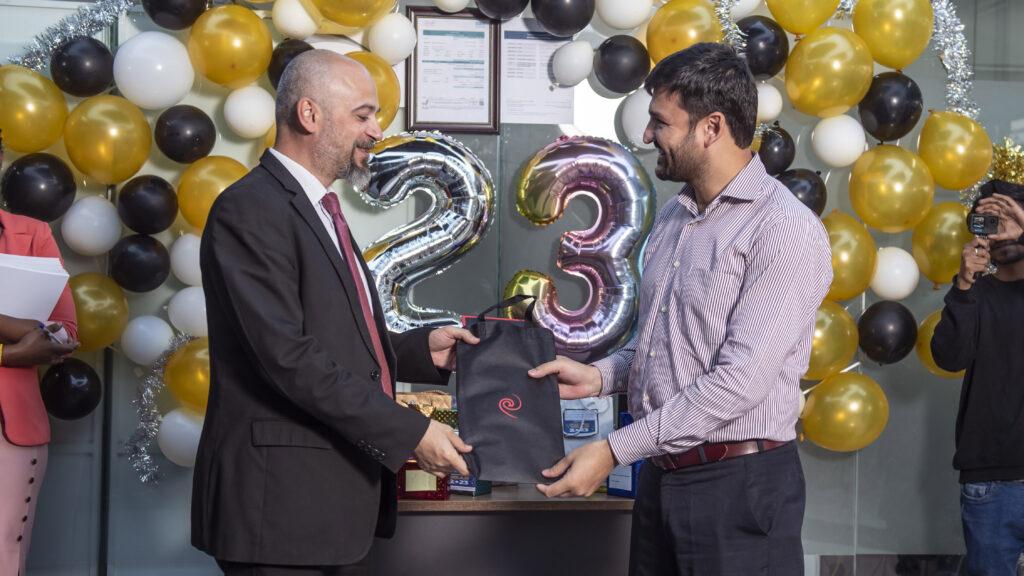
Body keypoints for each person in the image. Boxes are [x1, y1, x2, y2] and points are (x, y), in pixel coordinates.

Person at [529, 43, 832, 574]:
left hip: (740, 490)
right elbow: (665, 344)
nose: (648, 136)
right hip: (661, 478)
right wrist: (599, 376)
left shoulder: (784, 229)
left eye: (660, 122)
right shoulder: (675, 215)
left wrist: (613, 450)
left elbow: (738, 382)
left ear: (711, 127)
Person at [191, 50, 479, 576]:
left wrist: (422, 351)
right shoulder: (249, 208)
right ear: (309, 114)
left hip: (326, 509)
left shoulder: (322, 209)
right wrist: (411, 431)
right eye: (363, 115)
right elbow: (288, 358)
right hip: (278, 512)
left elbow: (337, 339)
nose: (376, 131)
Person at [931, 179, 1024, 576]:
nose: (1000, 231)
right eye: (989, 221)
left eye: (1008, 217)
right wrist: (964, 283)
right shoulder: (973, 294)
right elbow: (949, 358)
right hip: (991, 481)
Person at [0, 133, 80, 575]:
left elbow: (64, 333)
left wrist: (27, 337)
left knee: (6, 556)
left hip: (11, 427)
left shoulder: (32, 234)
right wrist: (10, 350)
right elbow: (34, 335)